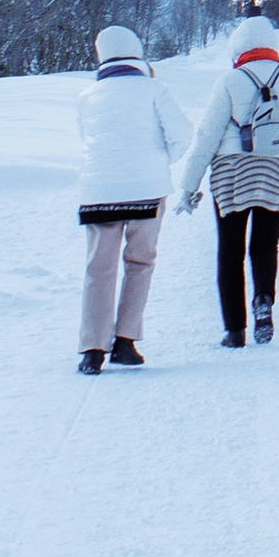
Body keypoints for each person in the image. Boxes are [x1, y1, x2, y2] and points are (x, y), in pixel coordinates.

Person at [177, 12, 279, 349]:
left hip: (232, 175)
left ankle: (234, 331)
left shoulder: (229, 81)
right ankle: (263, 299)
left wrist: (189, 186)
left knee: (230, 251)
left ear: (238, 48)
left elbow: (207, 136)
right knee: (264, 245)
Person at [74, 24, 190, 375]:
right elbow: (182, 135)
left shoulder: (87, 96)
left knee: (99, 268)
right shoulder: (154, 89)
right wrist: (158, 162)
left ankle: (92, 350)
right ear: (137, 52)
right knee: (140, 262)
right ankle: (125, 341)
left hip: (98, 192)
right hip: (146, 190)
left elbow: (86, 140)